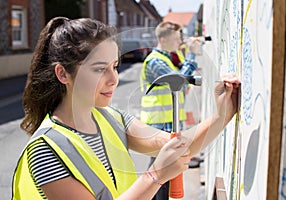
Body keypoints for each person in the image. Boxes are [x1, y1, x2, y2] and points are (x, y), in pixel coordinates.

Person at [12, 17, 240, 200]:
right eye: (100, 69)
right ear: (63, 74)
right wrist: (155, 175)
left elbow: (179, 147)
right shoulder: (45, 151)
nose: (114, 79)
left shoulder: (112, 118)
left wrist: (223, 114)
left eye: (115, 66)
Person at [139, 21, 204, 199]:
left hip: (168, 122)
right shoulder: (155, 62)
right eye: (176, 39)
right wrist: (191, 53)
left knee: (163, 170)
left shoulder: (169, 57)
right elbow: (180, 81)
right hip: (158, 123)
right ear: (162, 39)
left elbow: (185, 78)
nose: (179, 42)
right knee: (160, 172)